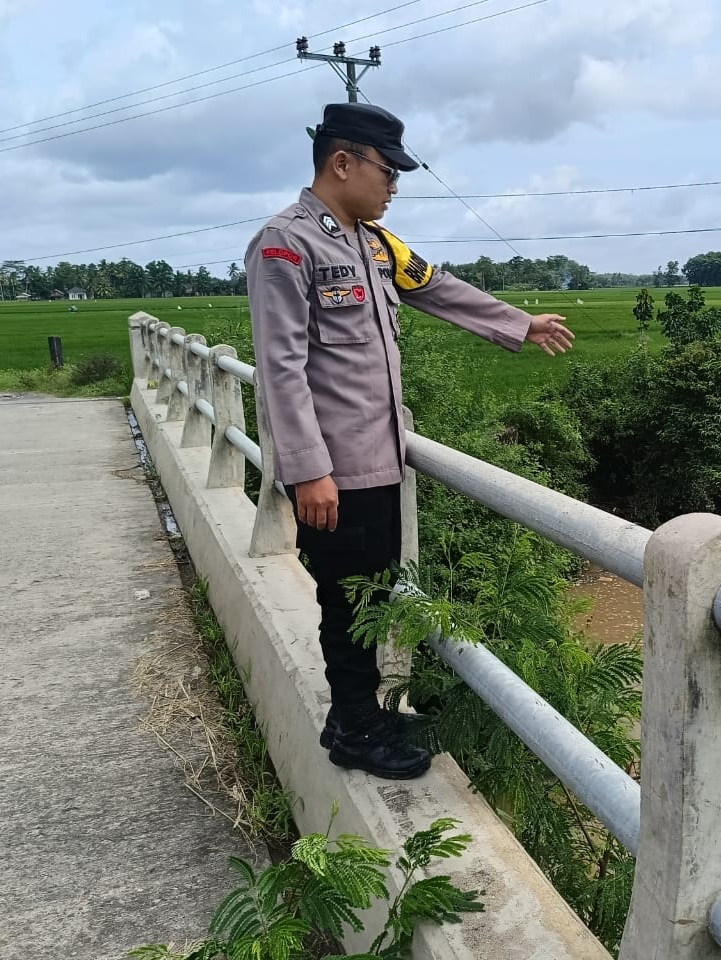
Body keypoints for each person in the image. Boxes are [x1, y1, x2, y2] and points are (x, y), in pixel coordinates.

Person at [245, 103, 574, 780]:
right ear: (343, 163)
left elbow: (439, 289)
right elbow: (281, 365)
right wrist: (307, 472)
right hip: (332, 472)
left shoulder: (373, 244)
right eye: (386, 170)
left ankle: (356, 713)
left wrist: (519, 324)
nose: (394, 185)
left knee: (373, 593)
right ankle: (356, 731)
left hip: (381, 461)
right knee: (347, 598)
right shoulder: (286, 244)